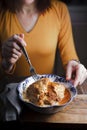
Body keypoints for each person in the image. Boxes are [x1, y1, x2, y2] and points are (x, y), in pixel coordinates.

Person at [0, 0, 87, 87]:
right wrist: (6, 64)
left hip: (46, 91)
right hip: (7, 92)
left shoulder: (59, 9)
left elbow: (69, 56)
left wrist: (76, 65)